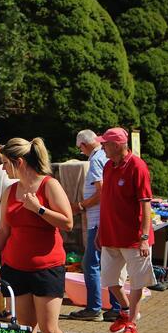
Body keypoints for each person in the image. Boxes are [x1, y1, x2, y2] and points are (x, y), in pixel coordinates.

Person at [0, 137, 73, 333]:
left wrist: (39, 209)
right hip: (15, 268)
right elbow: (3, 230)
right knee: (25, 329)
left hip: (47, 268)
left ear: (19, 162)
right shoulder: (10, 191)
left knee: (49, 329)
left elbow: (68, 222)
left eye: (5, 164)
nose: (2, 170)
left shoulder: (50, 185)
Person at [96, 127, 156, 333]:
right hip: (111, 235)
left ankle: (132, 323)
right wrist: (100, 230)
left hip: (133, 237)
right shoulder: (108, 167)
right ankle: (126, 310)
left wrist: (143, 237)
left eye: (105, 143)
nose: (102, 147)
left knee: (138, 281)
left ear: (117, 145)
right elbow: (106, 201)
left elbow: (146, 204)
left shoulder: (137, 166)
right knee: (110, 280)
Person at [68, 130, 121, 322]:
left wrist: (81, 206)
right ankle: (115, 307)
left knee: (90, 264)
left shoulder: (97, 160)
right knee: (108, 263)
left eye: (80, 148)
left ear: (84, 144)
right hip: (102, 219)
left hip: (97, 221)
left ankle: (94, 307)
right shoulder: (101, 158)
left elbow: (102, 192)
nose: (80, 152)